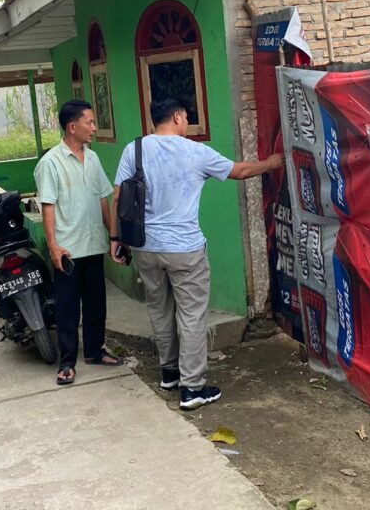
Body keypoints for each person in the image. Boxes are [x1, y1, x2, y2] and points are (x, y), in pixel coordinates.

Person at [112, 98, 283, 410]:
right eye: (186, 117)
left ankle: (169, 373)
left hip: (144, 247)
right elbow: (241, 171)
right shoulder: (194, 152)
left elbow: (119, 197)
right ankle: (192, 389)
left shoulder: (133, 149)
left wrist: (115, 238)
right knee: (191, 316)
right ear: (177, 117)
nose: (187, 122)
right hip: (184, 249)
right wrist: (272, 162)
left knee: (160, 309)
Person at [34, 100, 123, 386]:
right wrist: (53, 247)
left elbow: (102, 199)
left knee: (96, 303)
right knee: (68, 308)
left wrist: (113, 236)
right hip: (68, 250)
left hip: (94, 244)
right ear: (73, 127)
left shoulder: (93, 158)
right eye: (90, 123)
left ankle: (95, 351)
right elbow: (48, 206)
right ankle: (67, 363)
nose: (94, 128)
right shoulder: (50, 163)